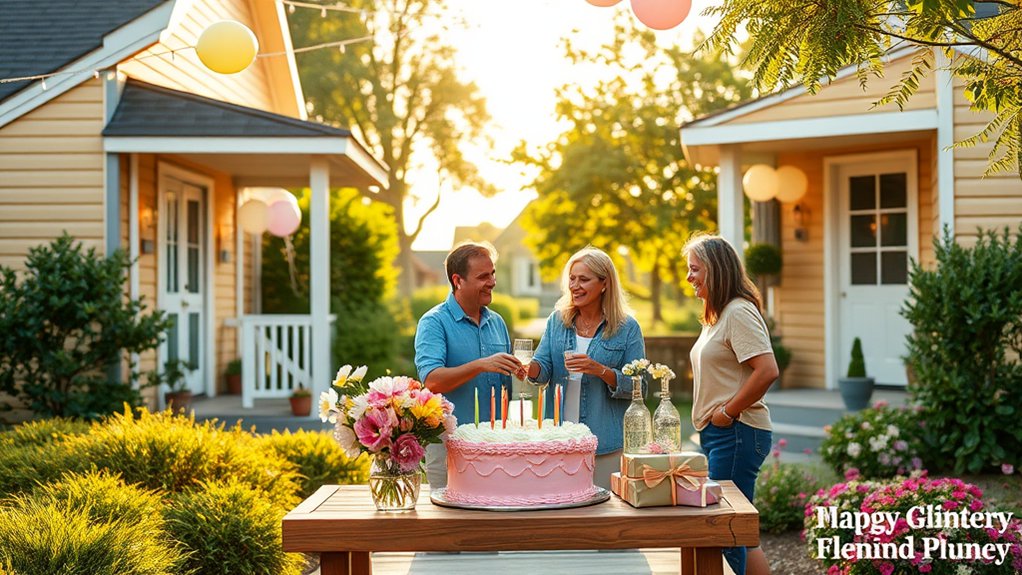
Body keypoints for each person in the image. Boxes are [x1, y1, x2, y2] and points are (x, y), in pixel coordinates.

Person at [683, 233, 778, 575]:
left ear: (715, 270)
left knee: (724, 528)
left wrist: (727, 411)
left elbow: (767, 370)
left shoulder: (738, 311)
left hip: (737, 433)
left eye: (694, 269)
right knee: (737, 530)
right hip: (721, 434)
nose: (689, 277)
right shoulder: (717, 315)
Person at [525, 246, 644, 489]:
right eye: (572, 278)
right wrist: (527, 369)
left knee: (604, 515)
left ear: (604, 284)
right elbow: (542, 368)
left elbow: (640, 386)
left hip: (604, 443)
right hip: (559, 440)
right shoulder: (557, 321)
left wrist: (600, 370)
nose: (575, 285)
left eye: (584, 279)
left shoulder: (627, 328)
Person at [414, 241, 522, 488]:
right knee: (450, 525)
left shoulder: (497, 323)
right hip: (450, 447)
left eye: (492, 273)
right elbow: (432, 380)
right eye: (483, 276)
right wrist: (482, 365)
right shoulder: (433, 322)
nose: (492, 281)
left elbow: (505, 387)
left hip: (495, 446)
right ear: (457, 280)